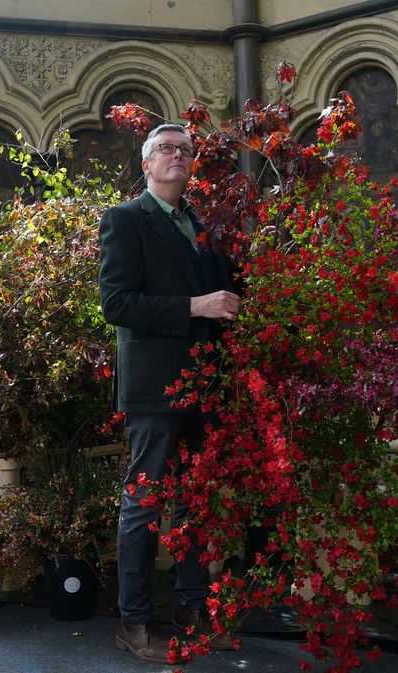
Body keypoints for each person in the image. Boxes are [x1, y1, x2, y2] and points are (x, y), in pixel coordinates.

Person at [98, 123, 241, 662]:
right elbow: (117, 304)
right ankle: (132, 623)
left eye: (185, 150)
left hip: (204, 382)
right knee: (144, 503)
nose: (177, 156)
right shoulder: (125, 220)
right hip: (154, 387)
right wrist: (196, 305)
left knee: (195, 501)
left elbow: (228, 298)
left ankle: (192, 608)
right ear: (147, 164)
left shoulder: (204, 227)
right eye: (166, 149)